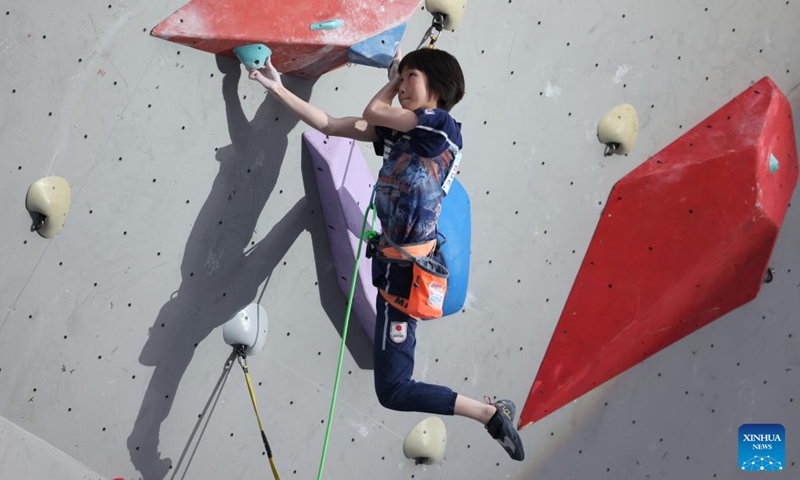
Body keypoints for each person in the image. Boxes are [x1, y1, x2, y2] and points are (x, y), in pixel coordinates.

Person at [248, 48, 524, 461]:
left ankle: (490, 414)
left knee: (393, 390)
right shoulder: (401, 132)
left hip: (409, 275)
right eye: (403, 78)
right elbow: (329, 123)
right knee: (393, 389)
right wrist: (277, 88)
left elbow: (373, 109)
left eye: (412, 78)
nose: (404, 86)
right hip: (393, 271)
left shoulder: (440, 126)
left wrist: (393, 79)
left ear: (436, 85)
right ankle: (489, 413)